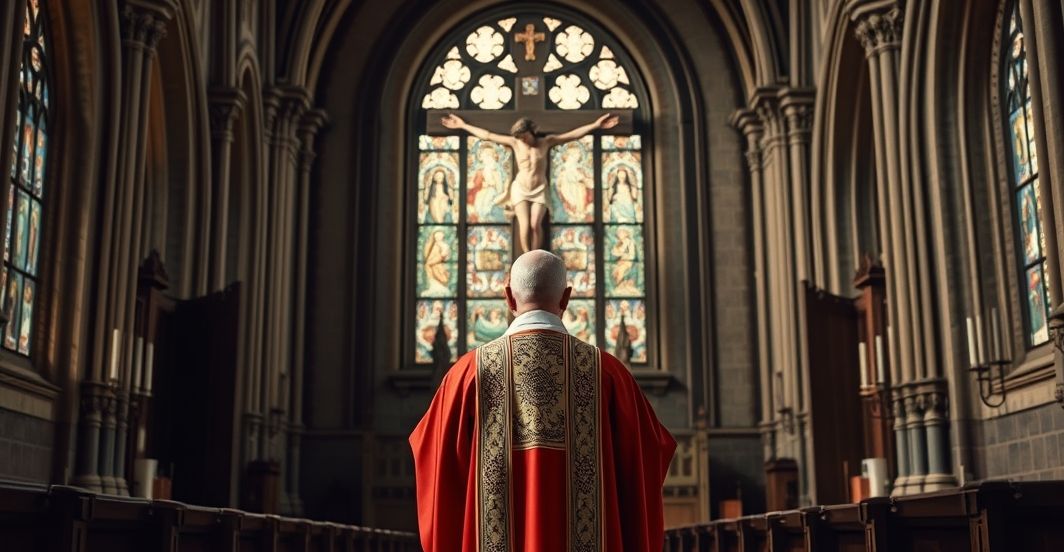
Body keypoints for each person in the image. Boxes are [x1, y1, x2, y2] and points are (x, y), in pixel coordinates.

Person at [410, 250, 675, 552]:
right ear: (566, 298)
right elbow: (648, 455)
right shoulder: (609, 374)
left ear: (509, 297)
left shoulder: (467, 374)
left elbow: (434, 460)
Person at [441, 113, 619, 252]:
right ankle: (527, 255)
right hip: (520, 188)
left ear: (531, 131)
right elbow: (488, 135)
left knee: (535, 224)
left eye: (524, 136)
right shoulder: (515, 143)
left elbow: (572, 135)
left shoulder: (546, 142)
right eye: (519, 137)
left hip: (539, 188)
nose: (522, 140)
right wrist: (463, 126)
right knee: (525, 225)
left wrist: (595, 125)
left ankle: (536, 254)